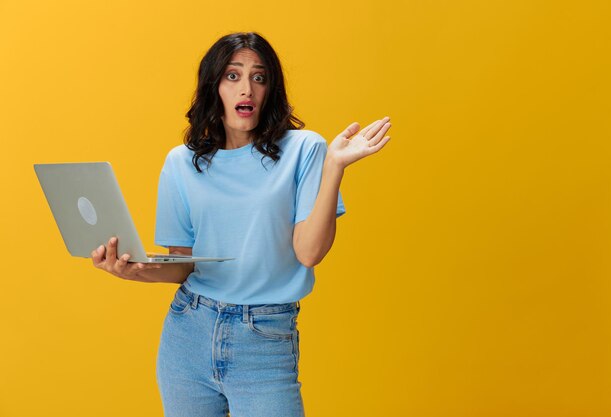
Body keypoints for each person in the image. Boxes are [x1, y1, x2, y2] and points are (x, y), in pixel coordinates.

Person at [91, 32, 391, 417]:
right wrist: (130, 271)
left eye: (259, 77)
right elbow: (183, 265)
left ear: (270, 89)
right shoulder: (181, 163)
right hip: (189, 332)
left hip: (263, 338)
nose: (246, 88)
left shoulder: (306, 149)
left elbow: (309, 252)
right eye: (233, 76)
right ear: (213, 85)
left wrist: (334, 167)